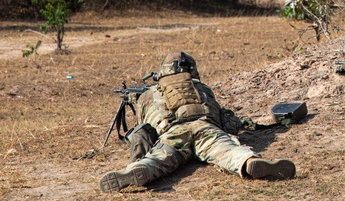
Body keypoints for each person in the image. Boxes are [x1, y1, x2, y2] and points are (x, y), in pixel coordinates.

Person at [99, 51, 296, 192]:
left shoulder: (150, 94)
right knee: (228, 151)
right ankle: (248, 161)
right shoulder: (202, 88)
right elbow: (227, 123)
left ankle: (139, 170)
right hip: (206, 128)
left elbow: (143, 130)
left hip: (174, 133)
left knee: (158, 160)